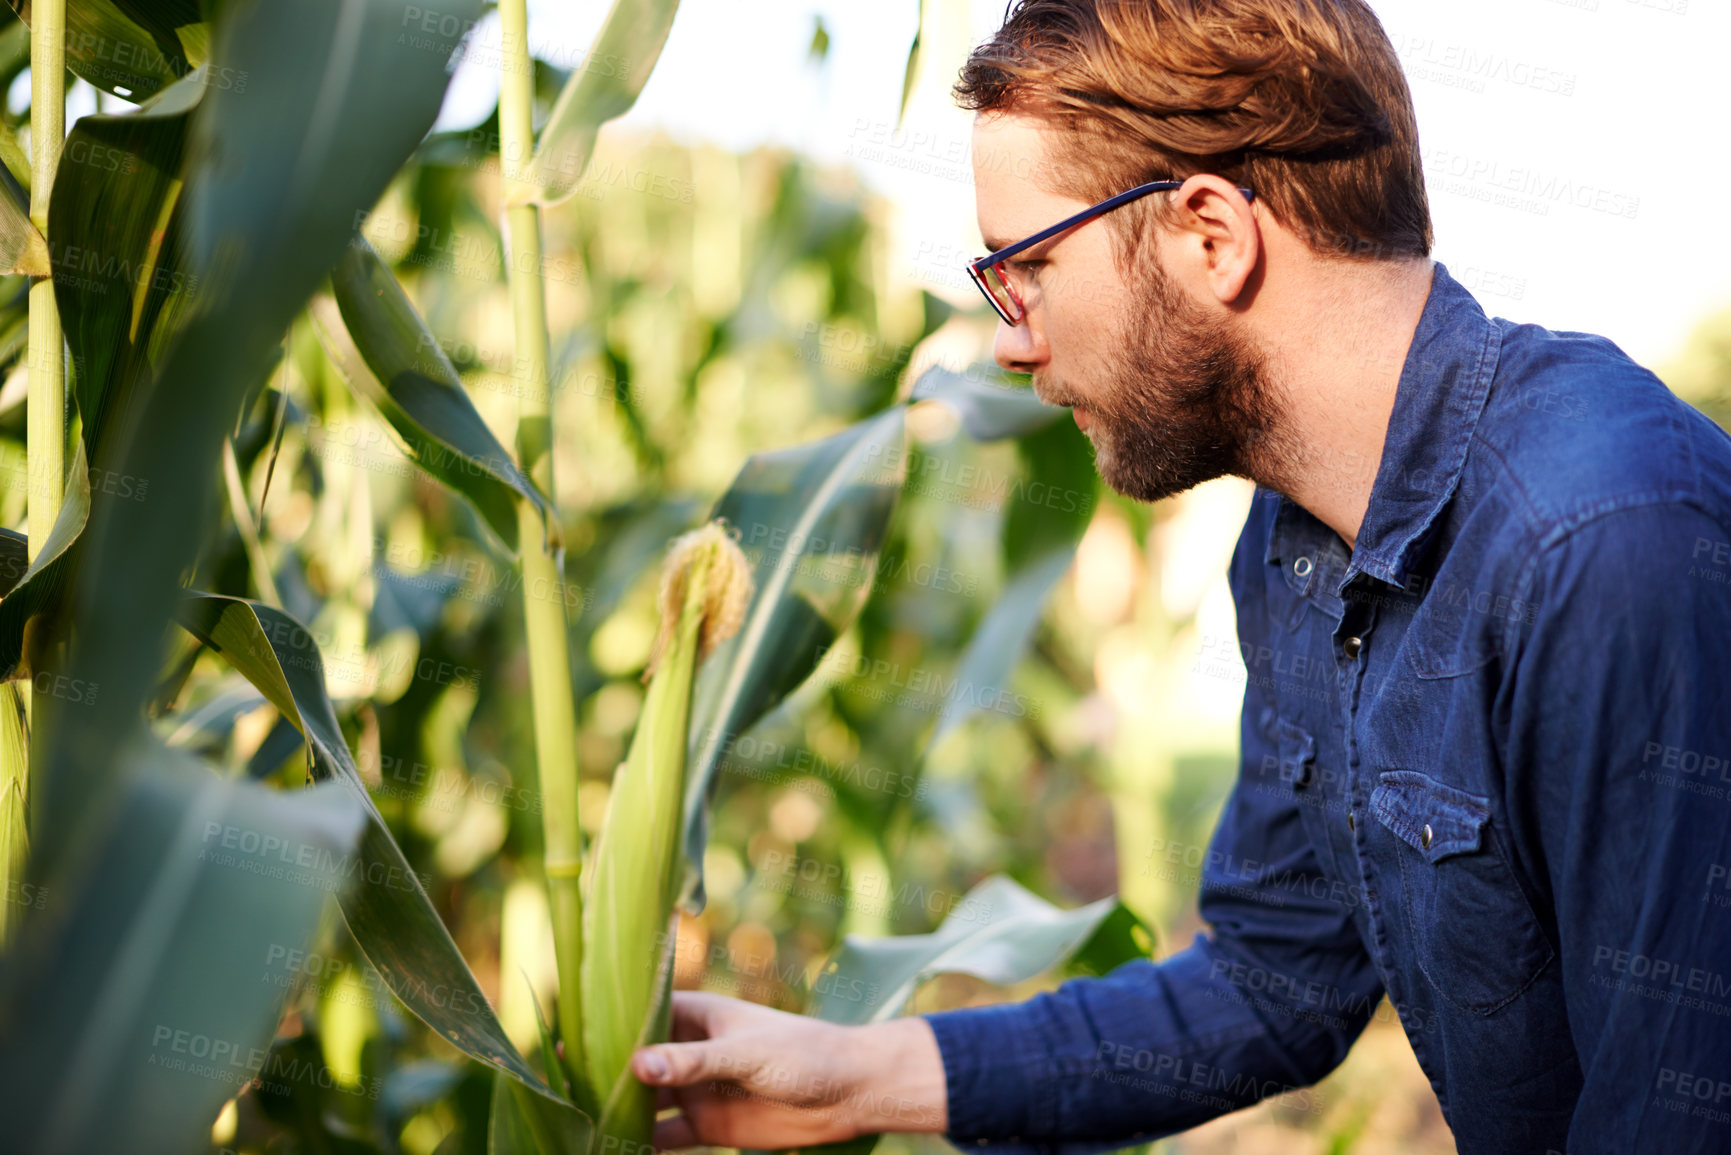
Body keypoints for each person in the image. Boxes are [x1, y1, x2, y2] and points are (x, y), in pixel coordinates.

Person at [629, 1, 1731, 1152]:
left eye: (1030, 266)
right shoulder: (1297, 545)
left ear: (1212, 233)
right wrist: (851, 1075)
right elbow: (1274, 983)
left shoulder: (1604, 543)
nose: (1010, 338)